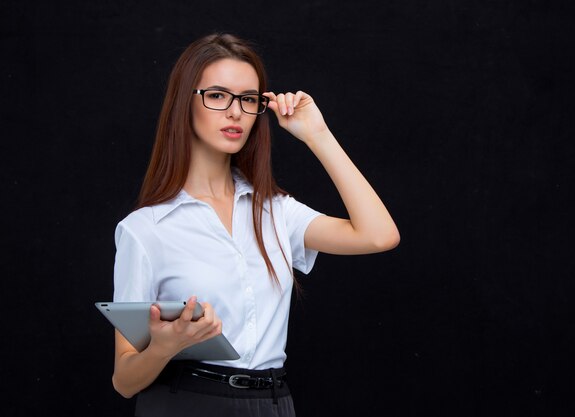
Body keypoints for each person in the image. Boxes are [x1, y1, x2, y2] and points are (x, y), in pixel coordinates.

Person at [110, 33, 400, 417]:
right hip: (187, 402)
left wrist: (318, 135)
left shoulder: (276, 211)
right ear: (186, 102)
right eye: (217, 96)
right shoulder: (145, 229)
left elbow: (379, 235)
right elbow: (124, 380)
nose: (235, 112)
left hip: (273, 402)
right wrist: (165, 345)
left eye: (248, 99)